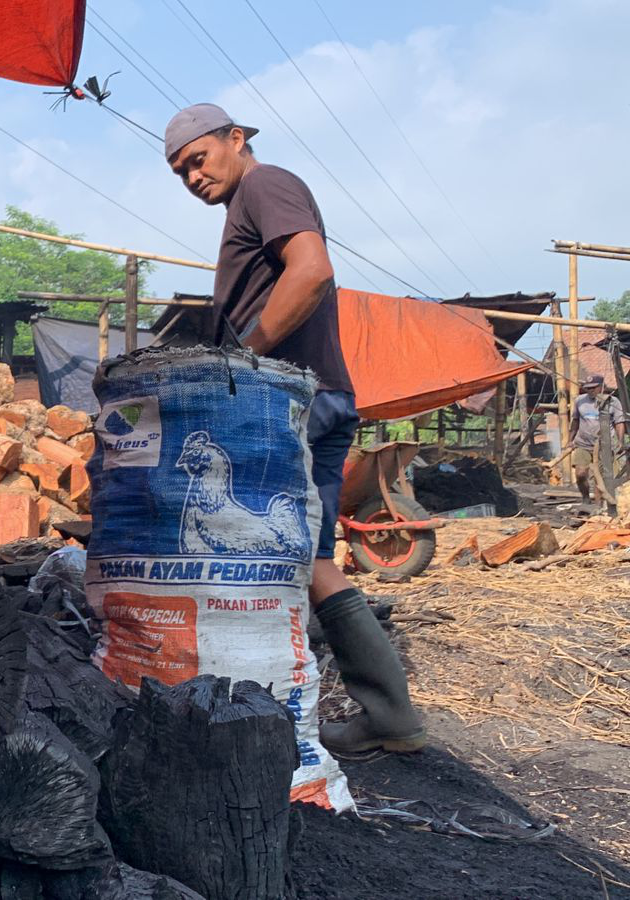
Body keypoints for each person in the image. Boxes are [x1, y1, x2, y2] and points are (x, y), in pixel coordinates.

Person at [163, 103, 425, 754]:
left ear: (237, 138)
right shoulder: (247, 204)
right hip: (319, 396)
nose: (192, 175)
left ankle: (247, 717)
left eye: (198, 158)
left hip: (286, 403)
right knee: (307, 558)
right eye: (179, 171)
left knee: (242, 548)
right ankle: (389, 716)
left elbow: (311, 270)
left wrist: (243, 362)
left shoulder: (264, 184)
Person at [569, 374, 626, 511]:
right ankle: (585, 498)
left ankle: (598, 507)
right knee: (580, 473)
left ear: (602, 387)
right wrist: (570, 440)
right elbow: (575, 421)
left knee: (599, 479)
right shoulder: (580, 401)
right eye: (588, 388)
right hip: (583, 443)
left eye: (594, 388)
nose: (590, 391)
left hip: (605, 446)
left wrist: (620, 441)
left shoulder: (613, 402)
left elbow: (619, 423)